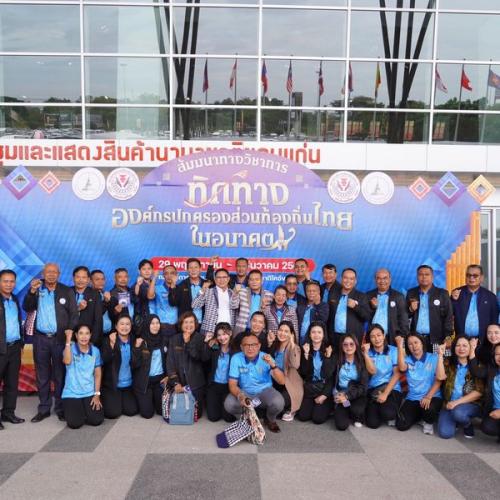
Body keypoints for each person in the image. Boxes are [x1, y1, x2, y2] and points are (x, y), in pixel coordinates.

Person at [23, 262, 78, 422]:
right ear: (43, 274)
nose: (51, 274)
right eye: (48, 272)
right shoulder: (36, 288)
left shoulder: (66, 291)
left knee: (60, 375)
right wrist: (32, 291)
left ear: (59, 274)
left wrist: (70, 332)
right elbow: (27, 307)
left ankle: (60, 408)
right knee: (42, 375)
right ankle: (44, 408)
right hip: (40, 339)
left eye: (55, 272)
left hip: (60, 338)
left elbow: (74, 314)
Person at [224, 331, 285, 433]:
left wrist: (273, 365)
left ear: (259, 346)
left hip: (264, 392)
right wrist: (241, 396)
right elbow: (232, 385)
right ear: (241, 347)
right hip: (245, 391)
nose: (250, 348)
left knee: (278, 402)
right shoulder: (236, 358)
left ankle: (270, 419)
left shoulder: (266, 357)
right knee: (229, 404)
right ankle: (246, 420)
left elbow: (282, 381)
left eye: (253, 345)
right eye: (246, 345)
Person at [395, 333, 446, 434]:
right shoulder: (407, 360)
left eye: (416, 342)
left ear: (422, 343)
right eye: (410, 344)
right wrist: (400, 347)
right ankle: (419, 416)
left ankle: (428, 421)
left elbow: (439, 379)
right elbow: (401, 368)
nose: (414, 346)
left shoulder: (434, 357)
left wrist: (428, 397)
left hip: (432, 396)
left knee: (429, 409)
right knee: (401, 425)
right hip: (413, 398)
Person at [437, 336, 483, 439]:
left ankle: (467, 424)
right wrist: (440, 355)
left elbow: (479, 392)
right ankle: (457, 419)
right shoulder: (448, 362)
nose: (461, 348)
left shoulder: (477, 365)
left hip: (471, 404)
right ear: (454, 348)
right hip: (449, 403)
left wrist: (456, 403)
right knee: (445, 433)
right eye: (458, 345)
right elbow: (440, 377)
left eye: (465, 345)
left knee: (458, 413)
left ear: (470, 348)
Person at [61, 324, 104, 429]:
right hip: (72, 393)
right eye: (81, 333)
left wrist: (97, 394)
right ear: (76, 335)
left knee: (97, 420)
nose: (84, 337)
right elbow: (67, 361)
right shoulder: (69, 349)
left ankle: (84, 410)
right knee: (74, 424)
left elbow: (97, 374)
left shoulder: (95, 351)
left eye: (87, 333)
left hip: (89, 392)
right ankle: (78, 410)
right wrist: (68, 340)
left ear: (90, 335)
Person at [166, 311, 206, 416]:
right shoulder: (174, 339)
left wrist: (188, 343)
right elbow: (170, 362)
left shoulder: (201, 338)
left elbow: (198, 357)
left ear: (195, 324)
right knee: (178, 412)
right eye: (186, 322)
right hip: (179, 381)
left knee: (196, 414)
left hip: (195, 383)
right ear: (181, 324)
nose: (189, 325)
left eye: (191, 322)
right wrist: (175, 382)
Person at [363, 324, 402, 429]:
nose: (376, 339)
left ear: (384, 336)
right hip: (374, 390)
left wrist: (385, 394)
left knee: (388, 414)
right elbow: (372, 371)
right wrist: (365, 354)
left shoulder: (393, 350)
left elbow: (397, 373)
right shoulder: (367, 352)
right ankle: (380, 407)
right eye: (372, 336)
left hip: (391, 388)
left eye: (379, 335)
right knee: (372, 424)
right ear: (369, 339)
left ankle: (388, 407)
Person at [406, 265, 453, 353]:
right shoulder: (411, 293)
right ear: (417, 277)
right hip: (416, 339)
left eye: (427, 274)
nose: (424, 277)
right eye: (421, 274)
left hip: (437, 339)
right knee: (417, 361)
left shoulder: (442, 293)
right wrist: (411, 309)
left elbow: (448, 317)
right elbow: (404, 316)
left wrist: (448, 336)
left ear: (432, 277)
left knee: (438, 361)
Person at [100, 315, 138, 419]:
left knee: (131, 411)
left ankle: (121, 400)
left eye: (127, 324)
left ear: (131, 326)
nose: (124, 327)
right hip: (112, 385)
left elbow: (137, 363)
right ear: (116, 326)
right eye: (122, 324)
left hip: (128, 385)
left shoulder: (134, 340)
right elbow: (105, 359)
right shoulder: (108, 340)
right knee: (113, 413)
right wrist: (112, 345)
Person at [0, 269, 24, 429]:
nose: (9, 284)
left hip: (14, 347)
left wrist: (21, 343)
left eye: (11, 281)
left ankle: (8, 413)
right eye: (5, 281)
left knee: (11, 383)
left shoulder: (14, 299)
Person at [131, 314, 168, 418]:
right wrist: (137, 348)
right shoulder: (141, 341)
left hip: (160, 381)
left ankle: (154, 398)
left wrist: (168, 376)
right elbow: (134, 364)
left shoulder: (164, 340)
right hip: (145, 382)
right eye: (152, 323)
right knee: (147, 414)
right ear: (147, 325)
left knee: (162, 411)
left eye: (157, 323)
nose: (155, 326)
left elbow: (170, 361)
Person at [297, 321, 334, 425]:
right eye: (313, 332)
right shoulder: (305, 348)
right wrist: (306, 355)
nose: (316, 335)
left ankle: (328, 405)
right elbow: (304, 372)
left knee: (317, 419)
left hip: (324, 388)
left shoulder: (329, 349)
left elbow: (330, 375)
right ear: (309, 334)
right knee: (303, 416)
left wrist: (324, 395)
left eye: (319, 332)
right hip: (310, 388)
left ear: (323, 334)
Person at [451, 265, 499, 343]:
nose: (471, 278)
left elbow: (494, 321)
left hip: (483, 342)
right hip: (462, 341)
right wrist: (453, 300)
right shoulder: (457, 293)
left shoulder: (490, 296)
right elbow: (448, 316)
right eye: (468, 275)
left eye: (475, 276)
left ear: (481, 278)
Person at [269, 321, 303, 422]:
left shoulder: (295, 347)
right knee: (269, 405)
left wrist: (292, 344)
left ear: (291, 334)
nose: (282, 333)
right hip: (276, 382)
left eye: (286, 331)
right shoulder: (275, 345)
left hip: (289, 384)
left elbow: (296, 365)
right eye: (280, 330)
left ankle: (291, 409)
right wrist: (270, 344)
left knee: (278, 405)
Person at [333, 333, 368, 430]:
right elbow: (332, 380)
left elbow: (363, 386)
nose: (348, 347)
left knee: (356, 411)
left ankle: (356, 414)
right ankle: (347, 408)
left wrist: (347, 396)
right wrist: (337, 394)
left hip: (356, 394)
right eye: (345, 344)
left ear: (356, 345)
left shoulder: (362, 361)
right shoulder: (338, 360)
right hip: (341, 393)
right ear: (342, 346)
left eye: (351, 344)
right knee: (341, 425)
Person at [328, 268, 371, 348]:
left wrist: (355, 307)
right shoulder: (333, 294)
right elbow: (329, 316)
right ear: (341, 279)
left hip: (353, 339)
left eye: (351, 279)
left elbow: (367, 316)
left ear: (355, 281)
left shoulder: (362, 296)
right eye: (345, 278)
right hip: (334, 338)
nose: (348, 281)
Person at [366, 268, 409, 345]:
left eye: (385, 278)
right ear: (375, 280)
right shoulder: (368, 295)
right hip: (373, 338)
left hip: (393, 337)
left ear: (390, 279)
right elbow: (364, 316)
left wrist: (402, 336)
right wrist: (372, 307)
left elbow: (403, 319)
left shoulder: (398, 296)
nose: (382, 281)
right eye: (379, 278)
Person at [192, 268, 238, 337]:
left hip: (228, 331)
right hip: (210, 330)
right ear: (215, 279)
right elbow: (194, 305)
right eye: (219, 277)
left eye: (224, 277)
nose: (221, 280)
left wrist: (235, 294)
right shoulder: (208, 291)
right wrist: (202, 290)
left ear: (228, 279)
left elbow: (235, 306)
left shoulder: (233, 292)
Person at [203, 322, 235, 422]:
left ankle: (223, 405)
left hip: (228, 387)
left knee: (228, 418)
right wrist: (206, 343)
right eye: (219, 335)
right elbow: (204, 358)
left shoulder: (235, 350)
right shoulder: (215, 347)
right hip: (214, 386)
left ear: (230, 333)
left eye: (224, 334)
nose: (222, 337)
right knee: (213, 417)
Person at [469, 340, 500, 442]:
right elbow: (476, 371)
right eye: (497, 354)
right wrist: (472, 349)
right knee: (487, 426)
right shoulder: (492, 370)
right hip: (495, 409)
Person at [231, 269, 274, 335]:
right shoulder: (241, 292)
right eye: (251, 280)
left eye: (257, 279)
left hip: (260, 331)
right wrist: (235, 293)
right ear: (248, 281)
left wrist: (264, 308)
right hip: (242, 329)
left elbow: (271, 315)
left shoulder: (269, 295)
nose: (254, 282)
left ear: (262, 281)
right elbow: (233, 306)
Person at [168, 258, 211, 322]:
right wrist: (173, 285)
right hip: (187, 323)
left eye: (196, 267)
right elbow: (173, 303)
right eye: (191, 268)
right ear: (187, 270)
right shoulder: (181, 285)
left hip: (204, 323)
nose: (193, 270)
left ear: (200, 269)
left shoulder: (207, 285)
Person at [72, 266, 103, 346]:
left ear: (88, 280)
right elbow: (62, 316)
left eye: (84, 277)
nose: (80, 280)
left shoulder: (95, 295)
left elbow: (98, 320)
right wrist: (78, 308)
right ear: (73, 278)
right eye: (78, 277)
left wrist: (92, 341)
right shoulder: (67, 292)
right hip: (70, 338)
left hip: (88, 339)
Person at [150, 265, 179, 340]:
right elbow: (150, 296)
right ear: (163, 276)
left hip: (177, 326)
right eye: (166, 273)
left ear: (176, 275)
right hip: (162, 326)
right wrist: (154, 278)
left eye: (172, 273)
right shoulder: (157, 288)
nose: (169, 276)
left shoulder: (180, 288)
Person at [131, 259, 156, 328]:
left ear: (152, 270)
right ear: (139, 271)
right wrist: (138, 286)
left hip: (154, 320)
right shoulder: (136, 285)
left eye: (149, 269)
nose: (147, 271)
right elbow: (136, 295)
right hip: (141, 320)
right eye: (144, 269)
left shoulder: (154, 284)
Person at [90, 269, 113, 337]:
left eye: (103, 279)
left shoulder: (107, 294)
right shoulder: (88, 296)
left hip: (109, 333)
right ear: (90, 281)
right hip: (95, 334)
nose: (101, 282)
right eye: (97, 279)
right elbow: (95, 314)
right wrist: (105, 302)